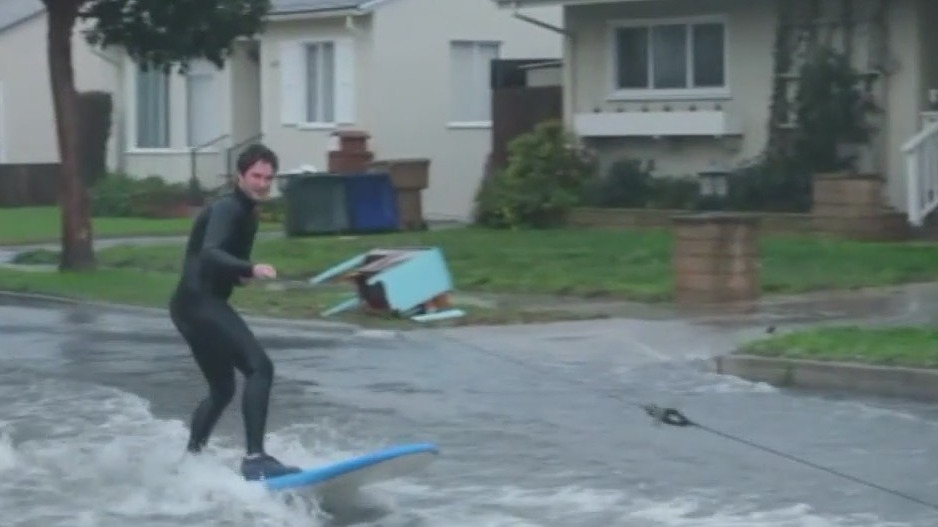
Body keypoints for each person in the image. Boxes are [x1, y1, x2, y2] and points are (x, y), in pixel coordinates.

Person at [169, 143, 301, 481]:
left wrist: (239, 275)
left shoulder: (247, 213)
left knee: (223, 389)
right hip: (200, 303)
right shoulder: (228, 208)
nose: (262, 184)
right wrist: (250, 268)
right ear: (239, 176)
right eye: (256, 176)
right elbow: (210, 252)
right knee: (260, 368)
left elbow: (219, 262)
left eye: (268, 178)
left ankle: (191, 461)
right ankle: (255, 458)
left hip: (188, 305)